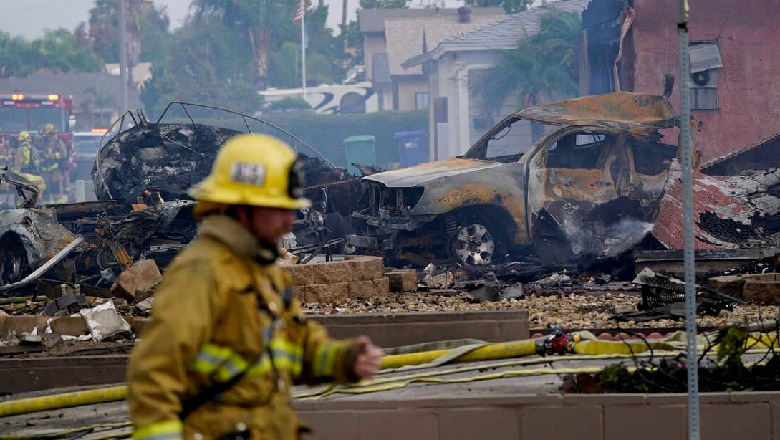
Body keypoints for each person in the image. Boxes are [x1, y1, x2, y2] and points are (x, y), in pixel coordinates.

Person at [127, 133, 383, 440]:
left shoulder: (263, 272)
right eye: (278, 208)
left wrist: (345, 359)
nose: (290, 220)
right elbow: (154, 377)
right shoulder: (201, 273)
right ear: (241, 208)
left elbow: (295, 348)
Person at [36, 124, 68, 203]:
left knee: (56, 190)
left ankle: (58, 207)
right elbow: (37, 143)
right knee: (45, 190)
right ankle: (46, 207)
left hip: (55, 171)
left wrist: (54, 156)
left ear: (52, 133)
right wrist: (39, 134)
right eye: (46, 134)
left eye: (48, 134)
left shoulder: (58, 142)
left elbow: (64, 153)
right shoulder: (44, 141)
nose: (47, 136)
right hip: (45, 170)